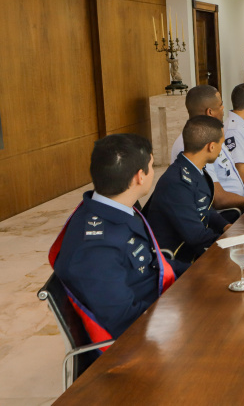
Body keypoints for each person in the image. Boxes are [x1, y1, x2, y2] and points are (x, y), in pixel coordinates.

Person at [50, 134, 187, 341]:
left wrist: (201, 272)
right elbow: (125, 322)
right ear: (140, 176)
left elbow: (153, 264)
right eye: (152, 165)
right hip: (143, 339)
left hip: (161, 304)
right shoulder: (96, 248)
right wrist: (185, 312)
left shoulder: (115, 208)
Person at [146, 116, 232, 263]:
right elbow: (196, 237)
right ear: (211, 146)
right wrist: (234, 242)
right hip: (181, 260)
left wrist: (226, 226)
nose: (221, 149)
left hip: (197, 247)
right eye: (221, 144)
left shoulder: (193, 170)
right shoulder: (177, 182)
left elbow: (205, 209)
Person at [169, 85, 244, 210]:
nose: (223, 108)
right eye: (220, 105)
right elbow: (218, 199)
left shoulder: (213, 135)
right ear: (210, 112)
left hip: (240, 203)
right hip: (228, 212)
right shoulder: (193, 145)